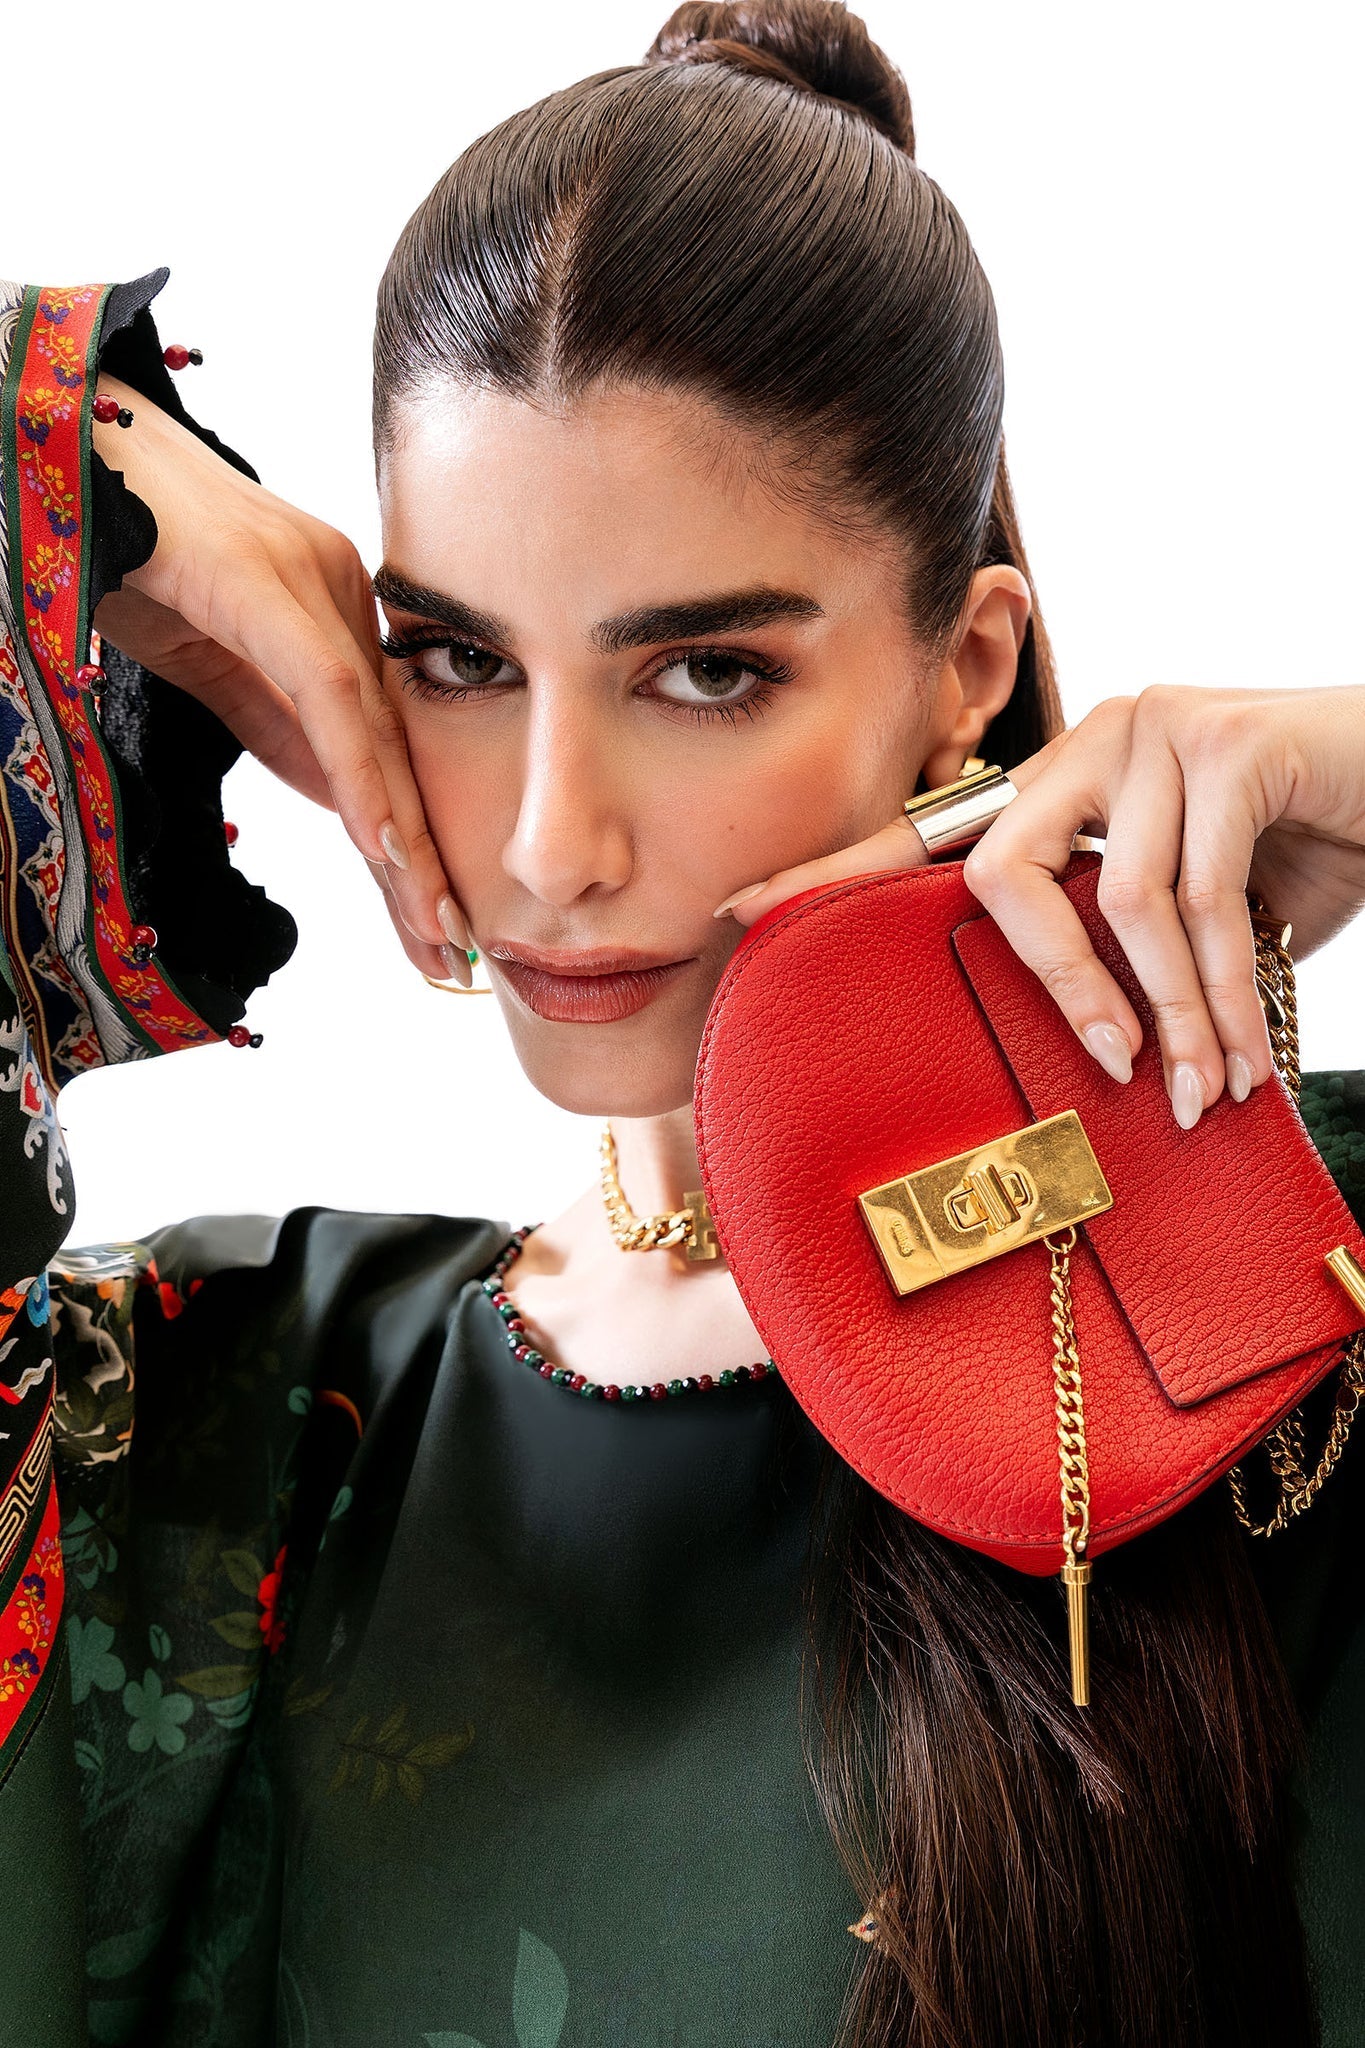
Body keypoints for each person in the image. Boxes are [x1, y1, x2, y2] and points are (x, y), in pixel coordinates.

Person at [2, 4, 1363, 2043]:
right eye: (454, 657)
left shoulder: (1291, 1297)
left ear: (963, 670)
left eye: (704, 673)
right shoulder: (224, 1430)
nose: (552, 844)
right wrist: (63, 474)